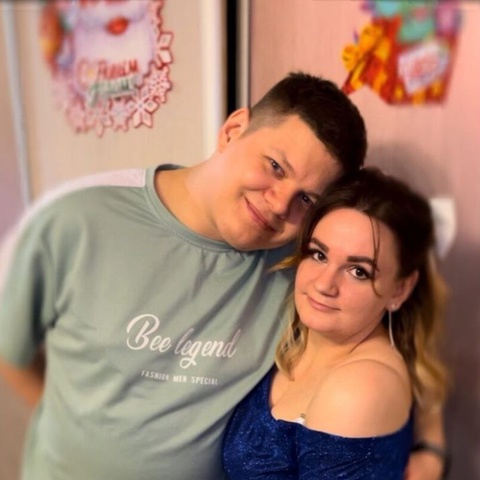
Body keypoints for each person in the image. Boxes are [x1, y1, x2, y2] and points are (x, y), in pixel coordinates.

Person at [0, 72, 445, 480]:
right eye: (275, 166)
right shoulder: (76, 219)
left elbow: (396, 325)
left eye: (307, 199)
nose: (278, 205)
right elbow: (10, 347)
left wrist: (428, 448)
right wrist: (75, 430)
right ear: (233, 130)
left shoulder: (304, 264)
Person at [222, 167, 449, 479]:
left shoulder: (360, 387)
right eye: (319, 255)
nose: (324, 284)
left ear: (400, 289)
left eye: (358, 271)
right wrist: (432, 446)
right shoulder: (290, 340)